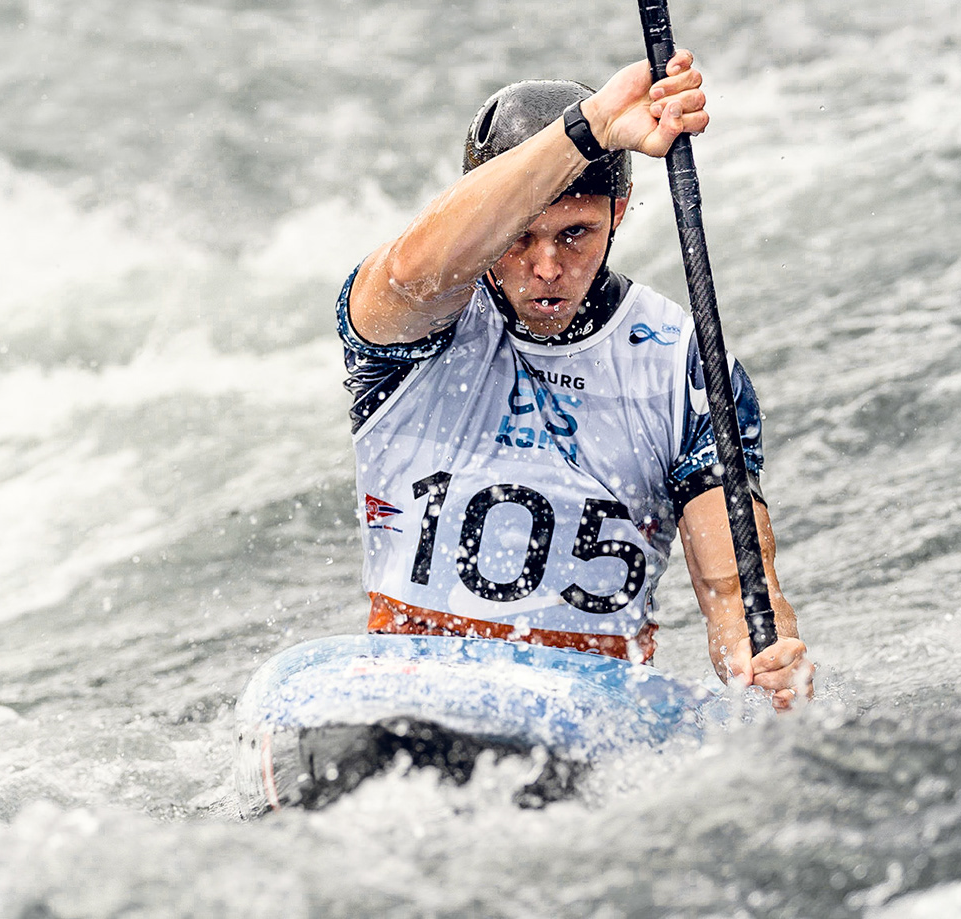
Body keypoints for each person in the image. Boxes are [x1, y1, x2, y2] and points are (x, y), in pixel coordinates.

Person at [338, 50, 813, 710]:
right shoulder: (409, 324)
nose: (547, 267)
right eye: (520, 236)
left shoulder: (682, 365)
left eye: (576, 234)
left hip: (586, 721)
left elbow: (734, 592)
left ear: (618, 213)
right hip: (413, 701)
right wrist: (591, 127)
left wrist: (764, 662)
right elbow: (416, 266)